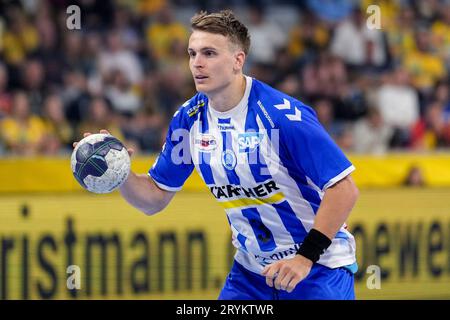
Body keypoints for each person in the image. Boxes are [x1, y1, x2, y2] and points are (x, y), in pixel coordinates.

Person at [75, 10, 359, 300]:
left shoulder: (282, 116)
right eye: (192, 53)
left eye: (209, 53)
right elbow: (154, 198)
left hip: (318, 266)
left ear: (238, 60)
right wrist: (118, 170)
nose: (197, 63)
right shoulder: (189, 119)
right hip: (252, 273)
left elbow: (344, 189)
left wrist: (304, 258)